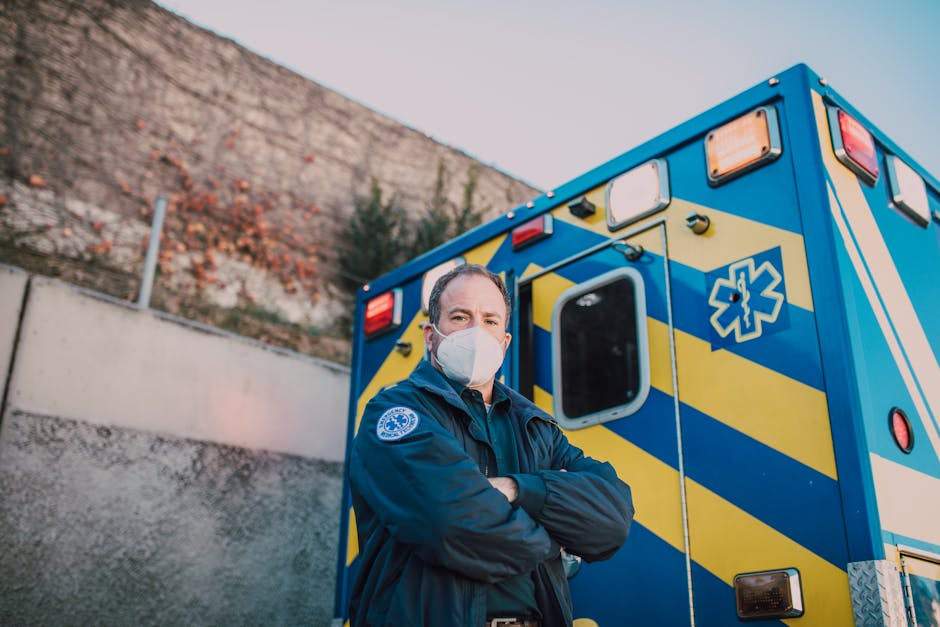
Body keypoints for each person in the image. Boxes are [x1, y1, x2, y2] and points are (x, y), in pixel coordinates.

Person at [348, 263, 634, 627]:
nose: (476, 332)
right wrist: (554, 540)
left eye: (490, 320)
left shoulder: (535, 425)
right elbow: (451, 523)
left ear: (505, 341)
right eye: (459, 317)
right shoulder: (395, 412)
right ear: (430, 336)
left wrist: (518, 489)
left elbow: (611, 522)